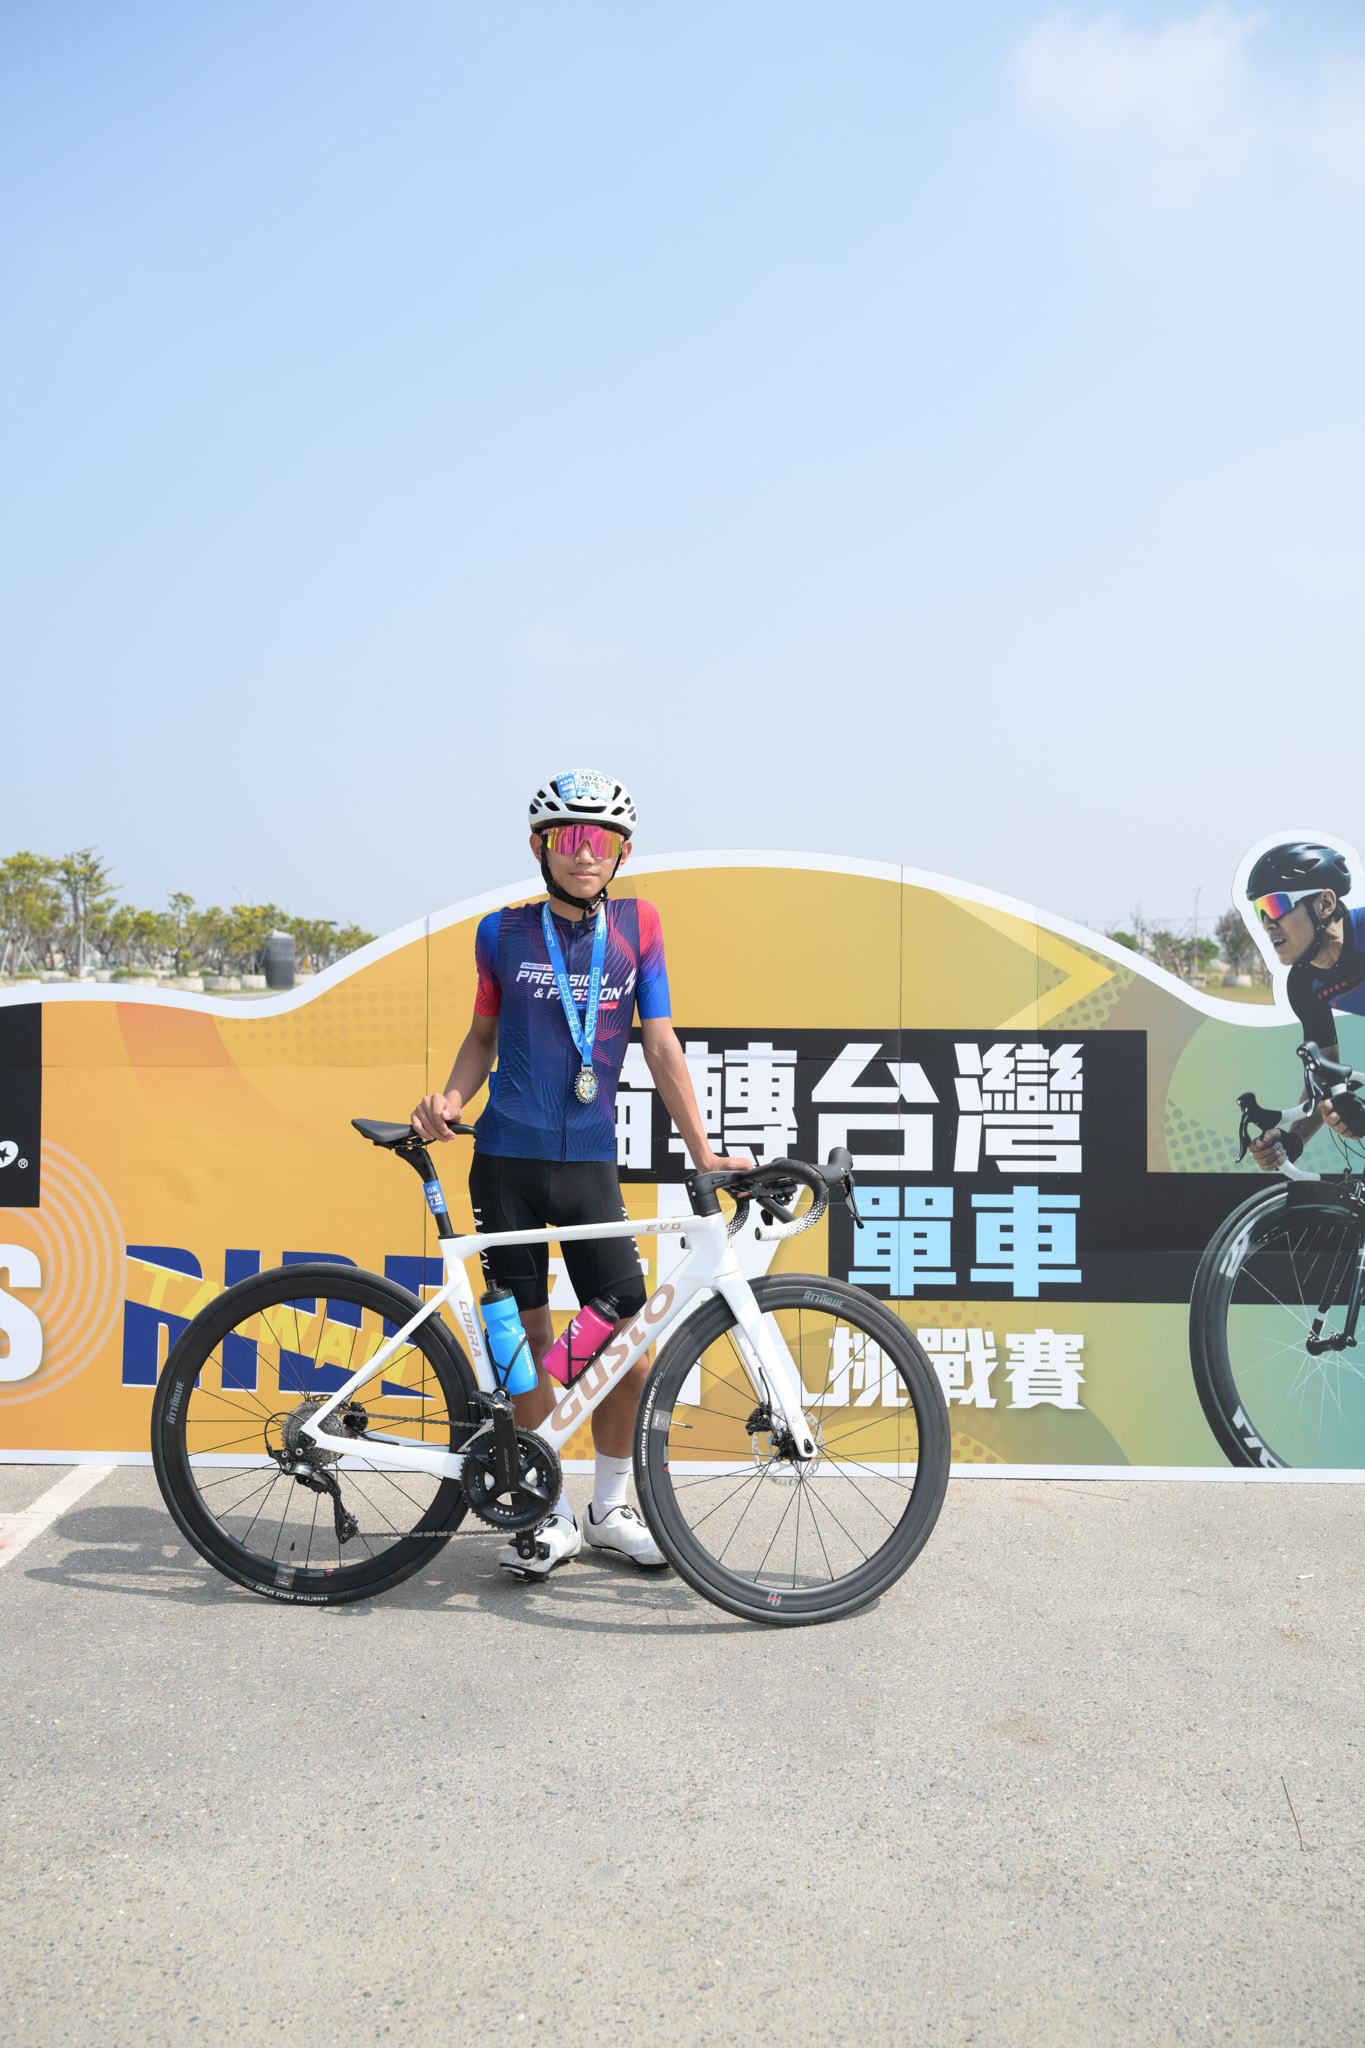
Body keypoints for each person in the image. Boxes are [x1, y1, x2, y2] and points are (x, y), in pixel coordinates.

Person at [411, 769, 750, 1578]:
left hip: (590, 1165)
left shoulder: (639, 926)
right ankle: (549, 1511)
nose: (584, 853)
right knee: (525, 1342)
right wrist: (450, 1098)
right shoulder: (500, 933)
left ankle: (608, 1508)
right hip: (505, 1165)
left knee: (628, 1343)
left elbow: (660, 1044)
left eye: (600, 839)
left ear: (621, 852)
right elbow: (481, 1037)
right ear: (540, 847)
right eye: (567, 838)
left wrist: (703, 1153)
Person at [1244, 841, 1365, 1168]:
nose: (1267, 923)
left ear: (1325, 903)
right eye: (1260, 911)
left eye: (1275, 904)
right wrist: (1294, 1140)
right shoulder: (1302, 984)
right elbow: (1324, 1074)